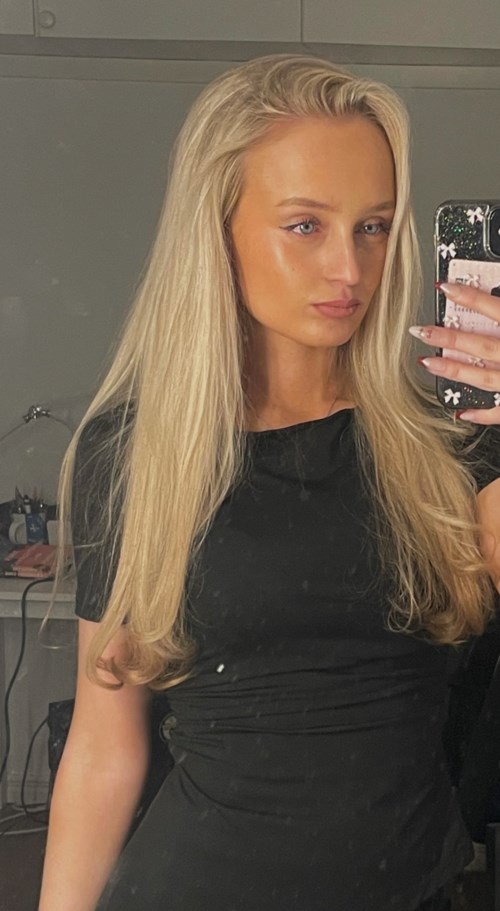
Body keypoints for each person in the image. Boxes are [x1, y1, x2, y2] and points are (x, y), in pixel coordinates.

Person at [38, 54, 500, 911]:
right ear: (218, 230)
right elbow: (105, 747)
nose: (349, 269)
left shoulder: (451, 442)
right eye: (305, 225)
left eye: (373, 226)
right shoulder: (140, 452)